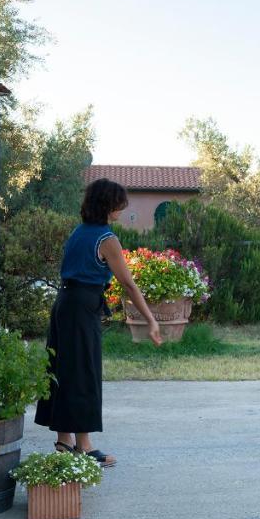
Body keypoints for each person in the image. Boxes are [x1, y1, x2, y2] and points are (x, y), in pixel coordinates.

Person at [35, 178, 161, 467]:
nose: (121, 209)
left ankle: (64, 441)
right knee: (83, 373)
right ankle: (85, 446)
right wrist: (151, 320)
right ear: (107, 204)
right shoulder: (107, 239)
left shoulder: (78, 233)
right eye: (119, 204)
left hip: (64, 304)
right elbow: (128, 284)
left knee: (62, 369)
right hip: (81, 308)